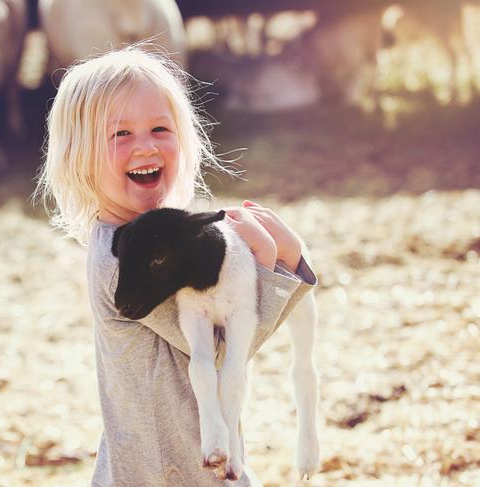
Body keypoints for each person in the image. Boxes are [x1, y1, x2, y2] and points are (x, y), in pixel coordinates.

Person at [34, 46, 317, 487]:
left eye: (160, 128)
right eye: (120, 134)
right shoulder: (124, 261)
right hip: (169, 470)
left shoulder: (144, 241)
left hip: (188, 458)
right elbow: (223, 353)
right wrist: (273, 267)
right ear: (79, 157)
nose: (145, 145)